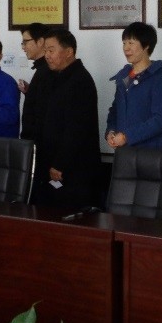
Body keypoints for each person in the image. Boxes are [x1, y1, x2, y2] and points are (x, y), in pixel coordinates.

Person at [35, 29, 101, 209]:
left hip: (72, 167)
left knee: (70, 215)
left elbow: (76, 129)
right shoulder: (57, 77)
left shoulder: (80, 81)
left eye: (51, 50)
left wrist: (59, 163)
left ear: (69, 51)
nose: (47, 55)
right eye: (45, 51)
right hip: (54, 161)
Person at [106, 21, 162, 150]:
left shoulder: (159, 77)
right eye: (124, 43)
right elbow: (115, 110)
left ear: (146, 45)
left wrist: (127, 136)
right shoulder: (125, 76)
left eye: (131, 43)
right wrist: (111, 131)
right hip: (124, 152)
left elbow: (161, 119)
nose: (126, 48)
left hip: (150, 152)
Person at [18, 22, 54, 141]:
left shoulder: (48, 70)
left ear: (40, 41)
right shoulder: (42, 69)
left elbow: (44, 114)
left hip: (40, 142)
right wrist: (30, 92)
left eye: (25, 42)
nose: (23, 47)